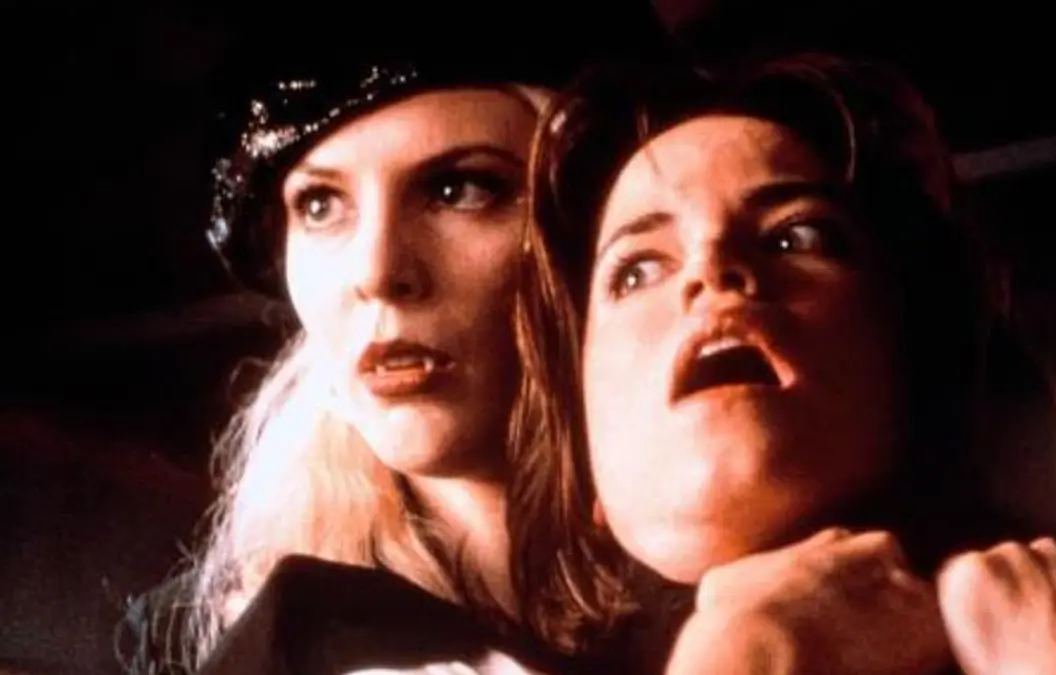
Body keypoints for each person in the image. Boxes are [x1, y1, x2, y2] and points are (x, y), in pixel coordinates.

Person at [519, 50, 1056, 673]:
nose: (711, 268)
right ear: (585, 463)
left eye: (798, 235)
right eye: (636, 271)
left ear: (919, 357)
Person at [117, 4, 669, 674]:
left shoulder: (764, 598)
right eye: (320, 205)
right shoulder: (212, 640)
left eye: (459, 189)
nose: (376, 272)